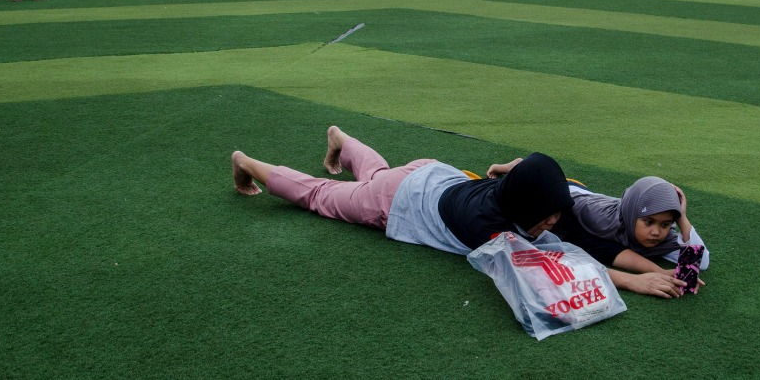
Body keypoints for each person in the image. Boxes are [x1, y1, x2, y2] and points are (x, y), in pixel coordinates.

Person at [232, 126, 688, 298]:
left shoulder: (519, 201)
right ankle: (247, 163)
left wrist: (649, 262)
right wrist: (634, 281)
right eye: (547, 216)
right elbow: (560, 265)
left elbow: (572, 235)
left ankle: (342, 141)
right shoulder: (491, 229)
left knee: (375, 176)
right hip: (403, 198)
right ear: (527, 205)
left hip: (435, 175)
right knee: (323, 196)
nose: (554, 223)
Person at [552, 176, 709, 278]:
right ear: (632, 216)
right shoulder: (599, 217)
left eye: (665, 224)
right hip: (570, 190)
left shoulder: (665, 238)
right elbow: (563, 200)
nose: (656, 232)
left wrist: (682, 218)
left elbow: (700, 262)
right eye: (649, 222)